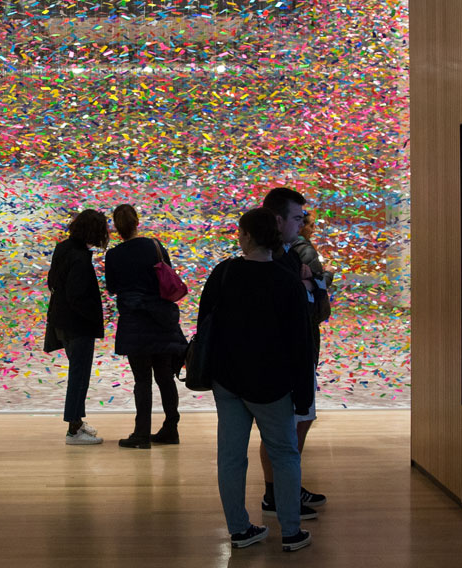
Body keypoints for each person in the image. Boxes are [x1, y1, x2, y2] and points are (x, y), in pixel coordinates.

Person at [199, 206, 314, 551]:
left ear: (246, 236)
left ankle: (239, 530)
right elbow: (300, 344)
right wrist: (304, 395)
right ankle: (291, 532)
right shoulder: (287, 282)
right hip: (273, 384)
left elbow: (206, 324)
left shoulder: (224, 273)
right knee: (285, 454)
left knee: (231, 456)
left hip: (228, 381)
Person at [256, 187, 332, 520]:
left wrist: (315, 283)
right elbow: (311, 308)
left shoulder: (285, 254)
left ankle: (283, 489)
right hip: (285, 357)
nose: (302, 224)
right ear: (278, 219)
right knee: (286, 427)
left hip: (294, 353)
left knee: (295, 423)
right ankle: (278, 495)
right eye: (298, 218)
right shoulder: (285, 257)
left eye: (303, 219)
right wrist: (316, 284)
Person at [103, 204, 187, 449]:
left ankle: (141, 434)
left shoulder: (114, 255)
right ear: (137, 221)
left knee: (142, 380)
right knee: (165, 376)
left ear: (116, 228)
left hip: (135, 322)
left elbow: (112, 287)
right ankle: (171, 429)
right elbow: (168, 275)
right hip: (161, 319)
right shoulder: (155, 246)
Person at [45, 209, 109, 445]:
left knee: (77, 374)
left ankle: (78, 423)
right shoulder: (80, 258)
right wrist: (95, 317)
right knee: (79, 376)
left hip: (61, 322)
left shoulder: (63, 248)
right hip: (77, 325)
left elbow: (52, 281)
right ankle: (73, 430)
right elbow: (77, 296)